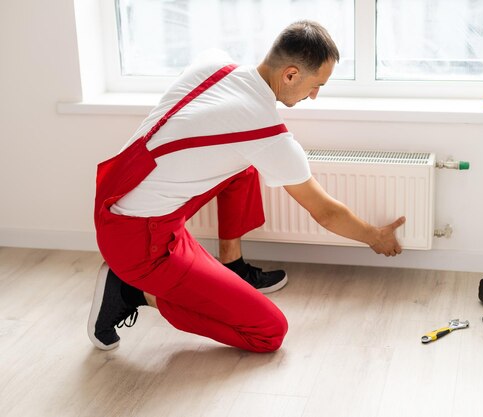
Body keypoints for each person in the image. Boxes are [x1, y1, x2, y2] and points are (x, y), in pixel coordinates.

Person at [88, 20, 405, 353]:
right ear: (291, 74)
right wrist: (375, 236)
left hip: (115, 196)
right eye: (316, 85)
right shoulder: (267, 134)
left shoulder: (214, 63)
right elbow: (325, 212)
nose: (314, 96)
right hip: (140, 245)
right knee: (270, 331)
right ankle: (130, 291)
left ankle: (232, 264)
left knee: (242, 169)